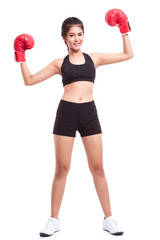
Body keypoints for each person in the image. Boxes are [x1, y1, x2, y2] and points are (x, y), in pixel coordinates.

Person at [14, 9, 133, 237]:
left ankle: (108, 218)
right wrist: (20, 55)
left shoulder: (94, 58)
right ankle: (53, 220)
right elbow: (29, 81)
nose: (76, 38)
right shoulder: (59, 63)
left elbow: (128, 55)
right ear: (64, 38)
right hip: (67, 113)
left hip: (89, 113)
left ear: (83, 36)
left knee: (98, 167)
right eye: (72, 35)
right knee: (62, 169)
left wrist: (124, 27)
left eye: (80, 34)